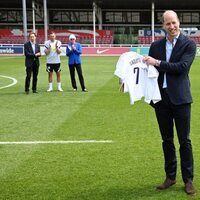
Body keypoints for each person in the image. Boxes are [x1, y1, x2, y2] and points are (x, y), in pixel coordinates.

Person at [144, 10, 196, 195]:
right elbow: (147, 71)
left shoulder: (189, 44)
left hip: (181, 99)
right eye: (168, 24)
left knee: (185, 141)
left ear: (178, 22)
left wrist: (157, 62)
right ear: (163, 26)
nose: (172, 27)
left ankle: (188, 180)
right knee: (167, 140)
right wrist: (128, 80)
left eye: (174, 22)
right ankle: (170, 177)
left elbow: (181, 68)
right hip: (161, 99)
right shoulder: (155, 46)